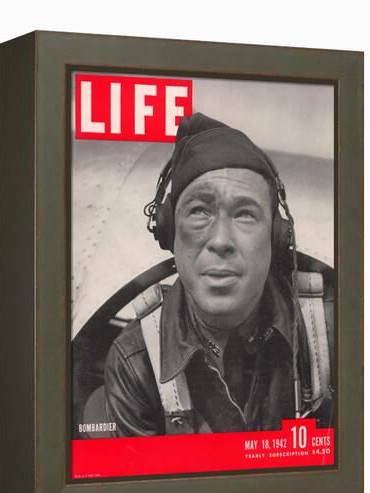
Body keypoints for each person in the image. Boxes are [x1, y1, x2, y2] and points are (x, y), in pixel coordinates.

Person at [104, 112, 333, 436]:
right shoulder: (134, 361)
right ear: (169, 231)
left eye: (245, 214)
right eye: (199, 211)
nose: (222, 241)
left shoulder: (329, 333)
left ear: (276, 236)